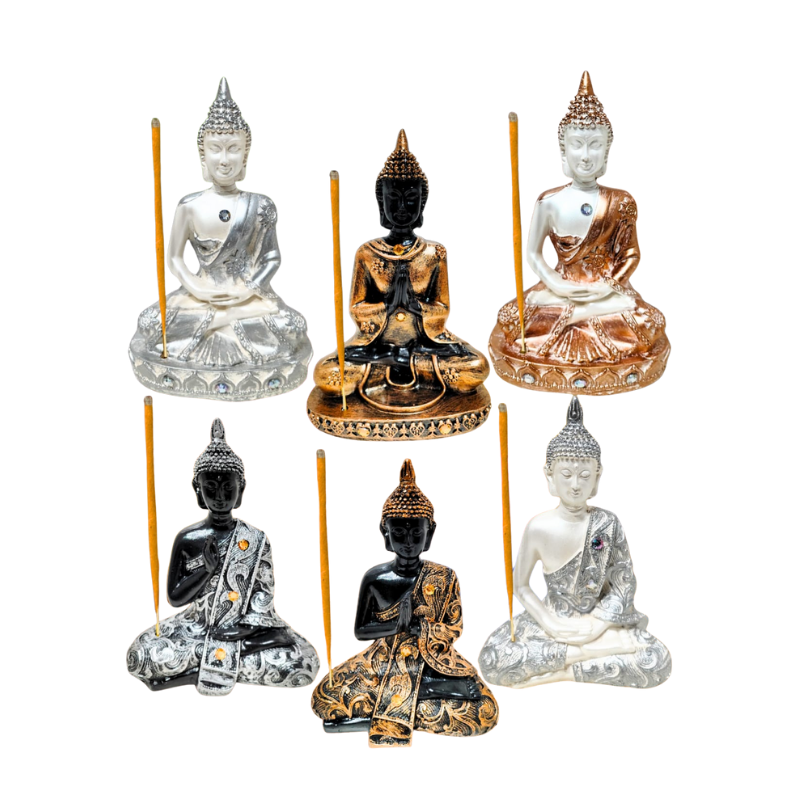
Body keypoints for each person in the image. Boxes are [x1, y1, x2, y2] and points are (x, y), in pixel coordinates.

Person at [129, 78, 312, 400]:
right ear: (203, 156)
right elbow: (174, 258)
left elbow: (272, 258)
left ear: (245, 156)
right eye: (215, 149)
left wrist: (246, 290)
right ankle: (221, 322)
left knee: (293, 326)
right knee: (150, 323)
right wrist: (197, 288)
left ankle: (224, 320)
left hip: (249, 298)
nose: (224, 159)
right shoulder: (189, 206)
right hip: (198, 296)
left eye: (233, 149)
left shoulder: (261, 205)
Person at [489, 72, 669, 394]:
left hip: (608, 293)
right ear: (563, 151)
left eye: (595, 145)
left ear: (607, 152)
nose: (586, 156)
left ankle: (580, 314)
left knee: (649, 321)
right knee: (511, 319)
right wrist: (557, 283)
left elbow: (631, 254)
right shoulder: (549, 201)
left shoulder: (621, 201)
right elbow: (532, 254)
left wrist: (605, 286)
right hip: (558, 290)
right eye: (577, 145)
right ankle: (578, 313)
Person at [479, 398, 671, 688]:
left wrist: (597, 625)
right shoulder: (538, 527)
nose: (575, 485)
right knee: (493, 658)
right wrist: (552, 624)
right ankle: (586, 656)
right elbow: (520, 586)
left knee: (656, 660)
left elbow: (624, 584)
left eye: (585, 476)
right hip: (551, 622)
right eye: (566, 475)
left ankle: (564, 670)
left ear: (597, 476)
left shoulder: (608, 523)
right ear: (550, 476)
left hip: (600, 624)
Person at [311, 460, 498, 746]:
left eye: (416, 533)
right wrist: (396, 626)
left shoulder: (445, 577)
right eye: (398, 533)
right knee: (324, 695)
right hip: (382, 660)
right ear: (385, 533)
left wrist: (421, 629)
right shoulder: (375, 578)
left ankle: (369, 719)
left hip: (430, 661)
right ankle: (415, 705)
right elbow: (361, 631)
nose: (408, 542)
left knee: (484, 709)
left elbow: (454, 628)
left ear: (430, 534)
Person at [127, 419, 319, 695]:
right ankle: (219, 664)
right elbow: (175, 598)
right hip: (196, 628)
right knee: (140, 655)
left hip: (244, 631)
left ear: (241, 489)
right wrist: (206, 570)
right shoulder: (188, 538)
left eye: (228, 488)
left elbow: (263, 601)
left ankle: (189, 675)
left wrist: (243, 631)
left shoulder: (256, 539)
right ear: (198, 491)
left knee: (305, 661)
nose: (220, 497)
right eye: (211, 488)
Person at [312, 130, 489, 410]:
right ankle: (395, 360)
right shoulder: (367, 253)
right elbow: (357, 308)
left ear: (423, 202)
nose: (403, 207)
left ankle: (405, 361)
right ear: (381, 202)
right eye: (393, 198)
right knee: (328, 375)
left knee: (476, 367)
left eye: (411, 198)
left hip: (425, 344)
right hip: (376, 345)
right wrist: (388, 305)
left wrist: (415, 306)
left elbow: (442, 308)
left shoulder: (434, 253)